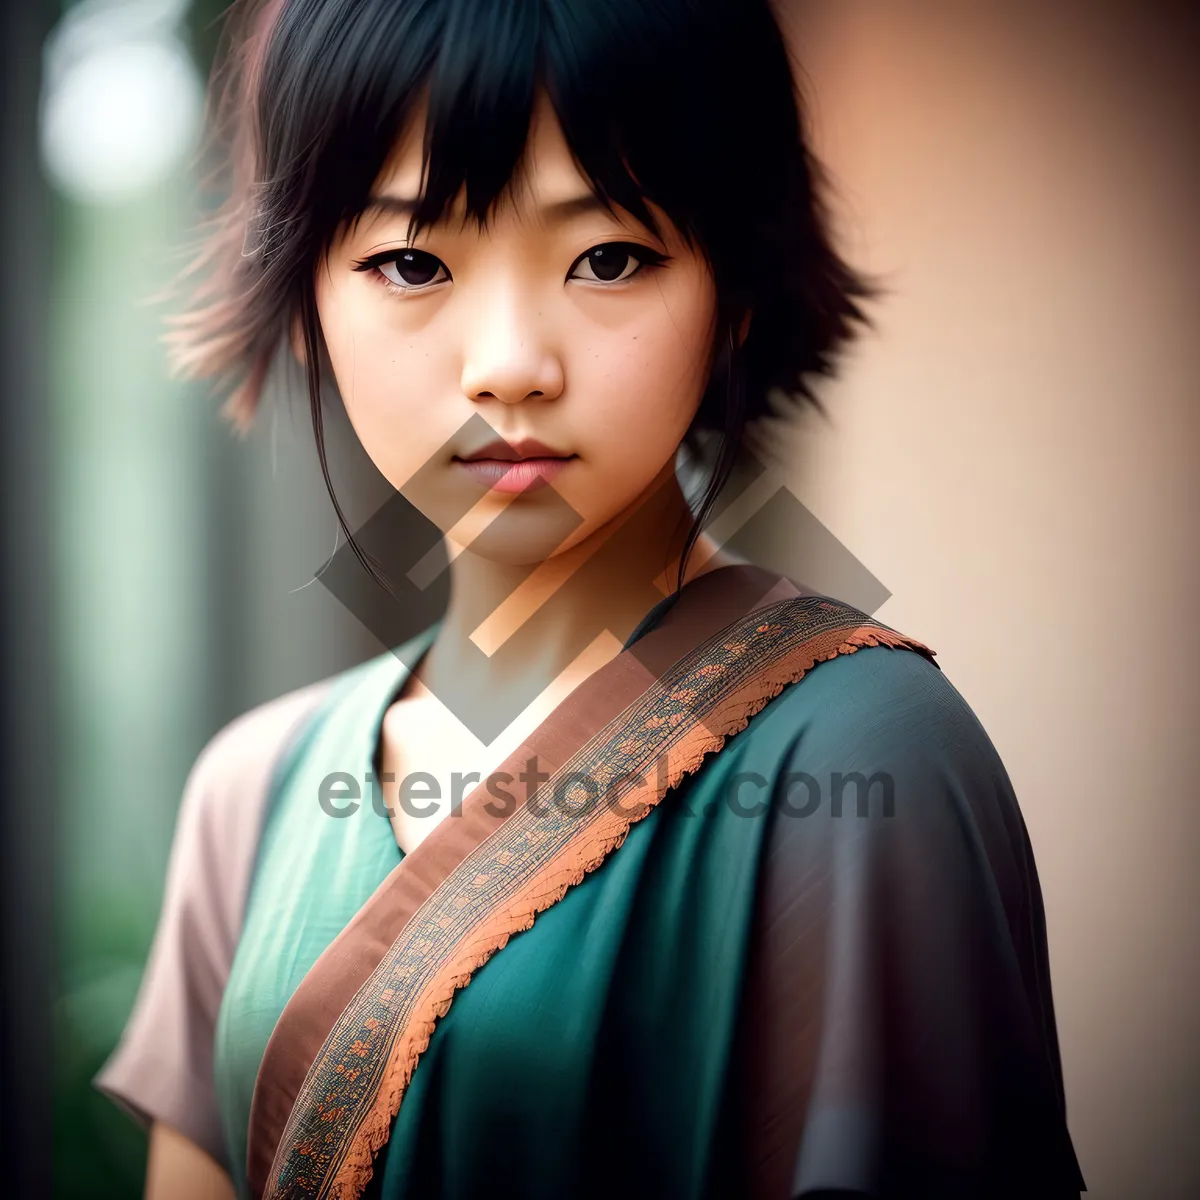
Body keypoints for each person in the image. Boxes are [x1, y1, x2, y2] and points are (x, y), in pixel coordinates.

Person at [94, 0, 1088, 1197]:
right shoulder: (253, 792)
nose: (511, 362)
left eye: (608, 257)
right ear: (306, 300)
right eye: (412, 262)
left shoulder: (871, 759)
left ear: (738, 286)